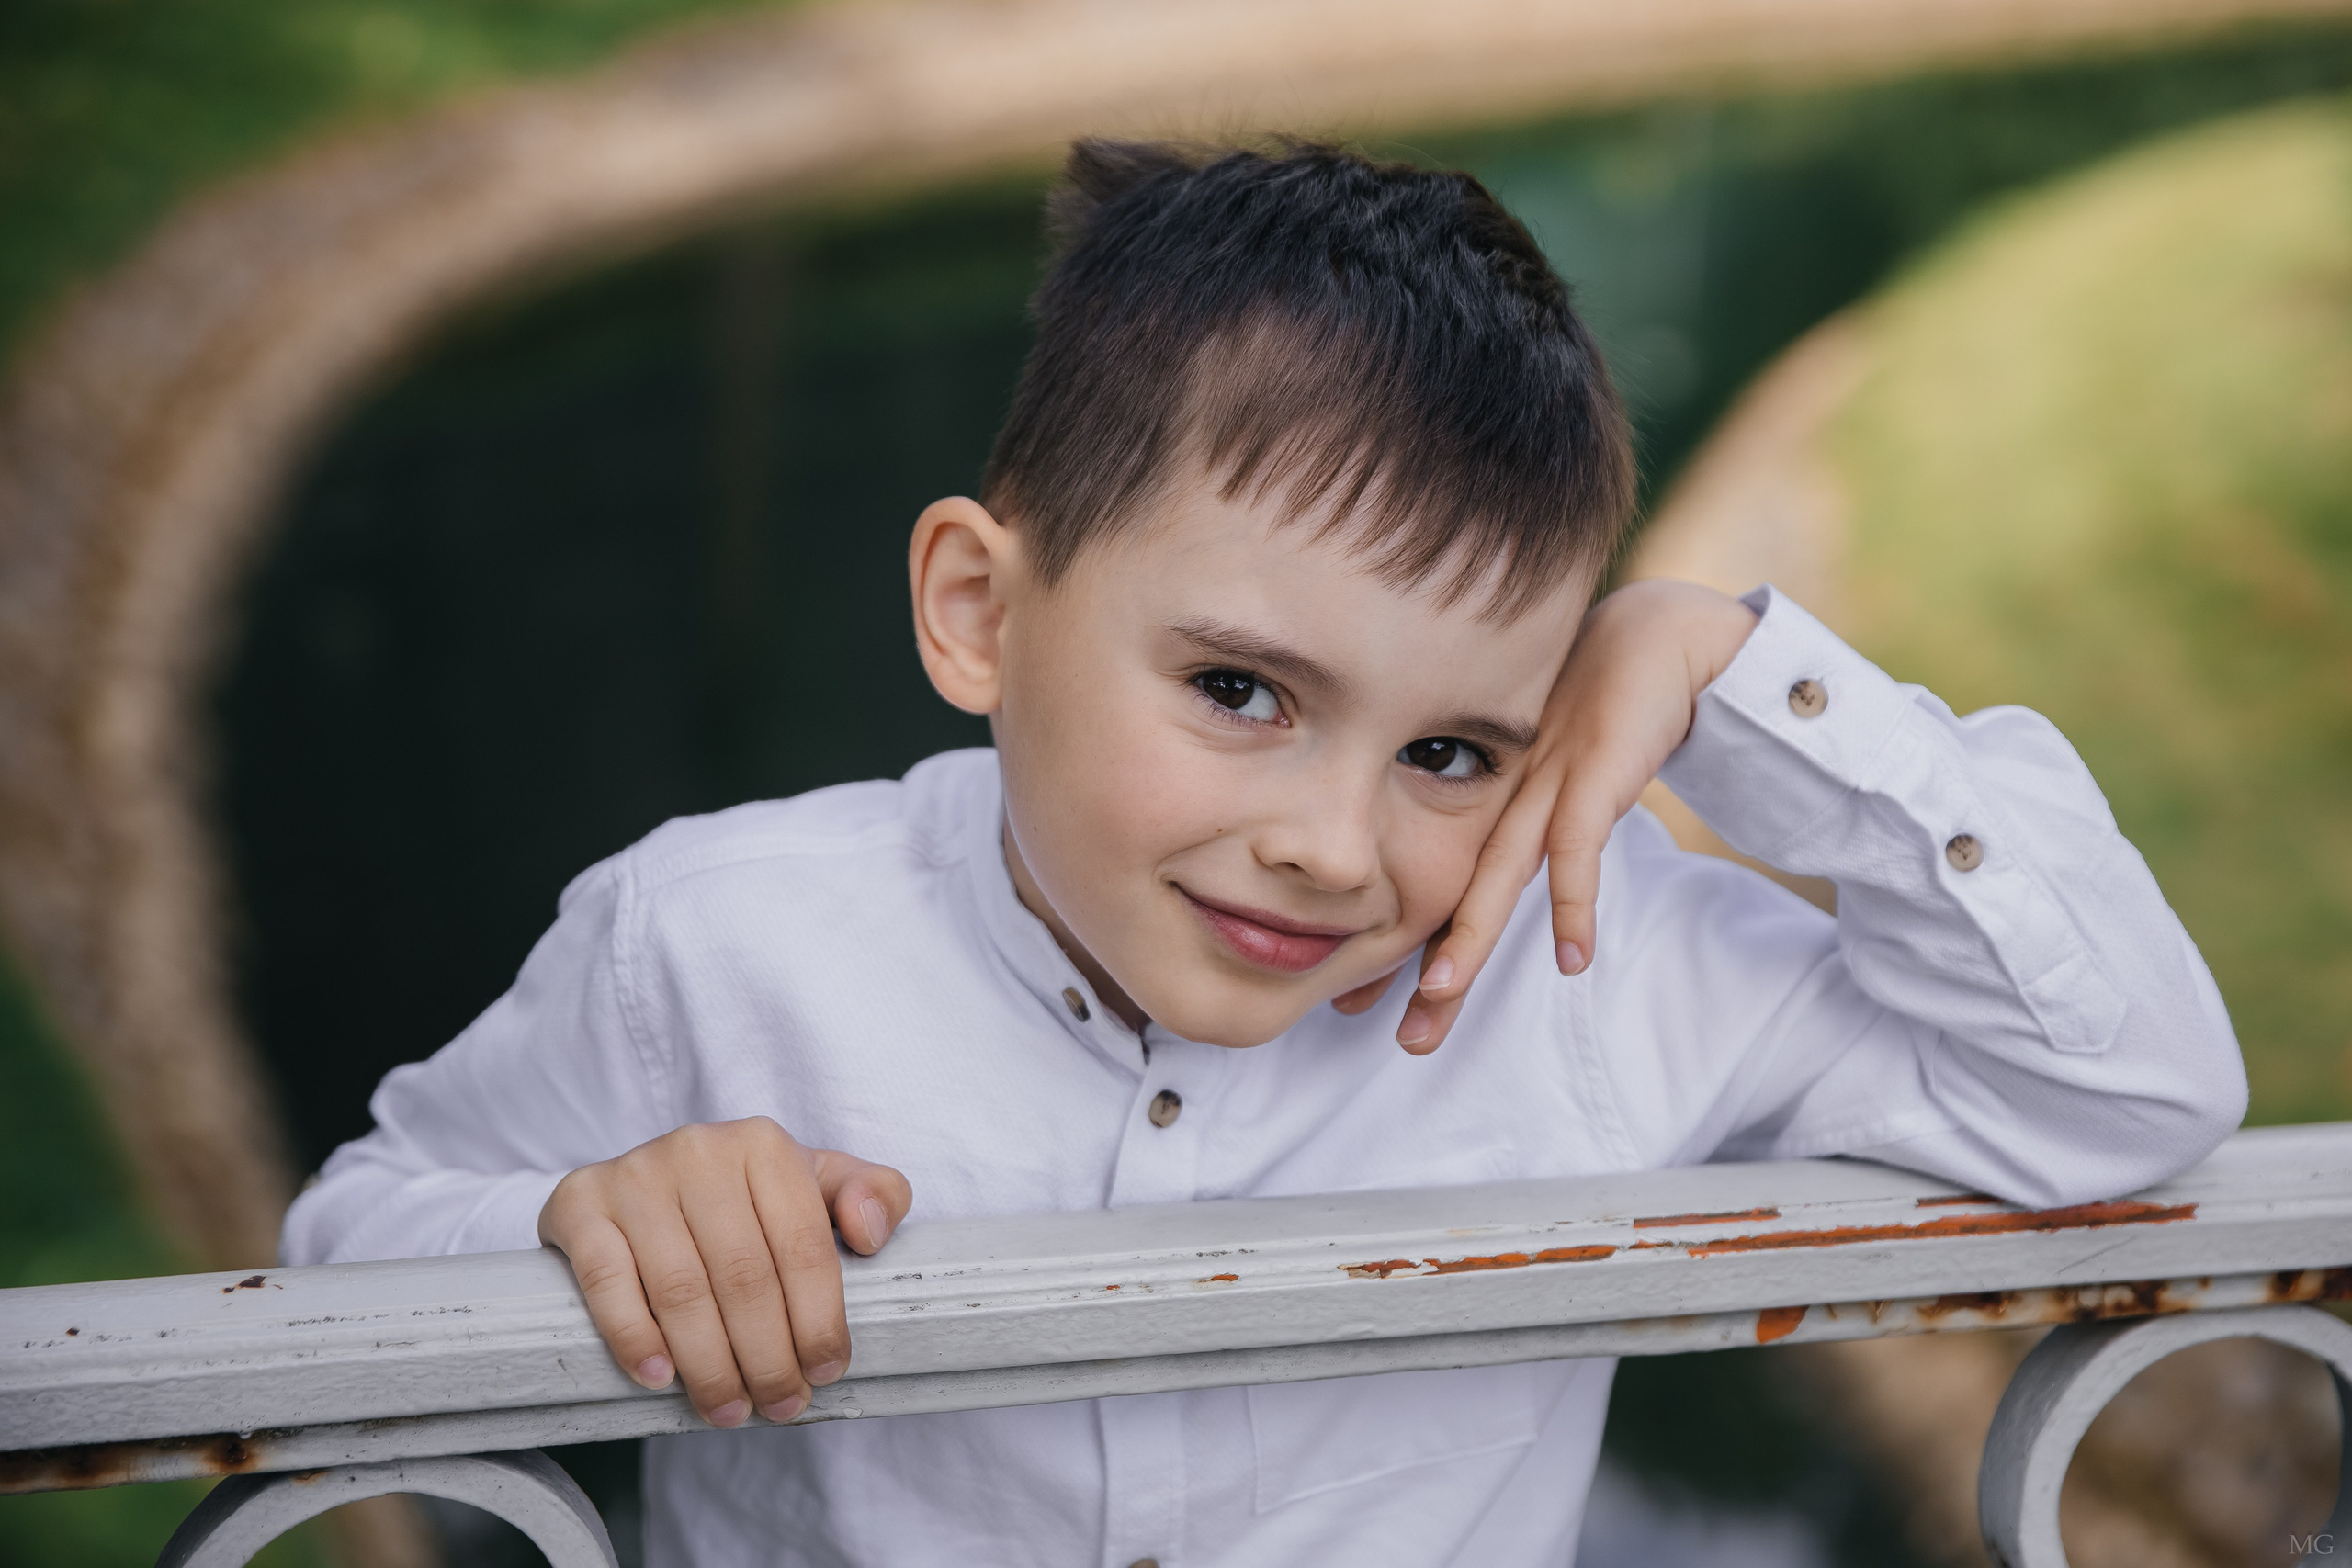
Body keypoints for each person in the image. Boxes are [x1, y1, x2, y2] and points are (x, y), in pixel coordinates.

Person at [284, 139, 2245, 1566]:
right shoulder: (708, 940)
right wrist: (577, 1222)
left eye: (1454, 746)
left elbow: (2125, 1086)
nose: (1330, 846)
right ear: (975, 607)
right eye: (1237, 689)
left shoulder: (1578, 952)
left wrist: (1744, 675)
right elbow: (342, 1255)